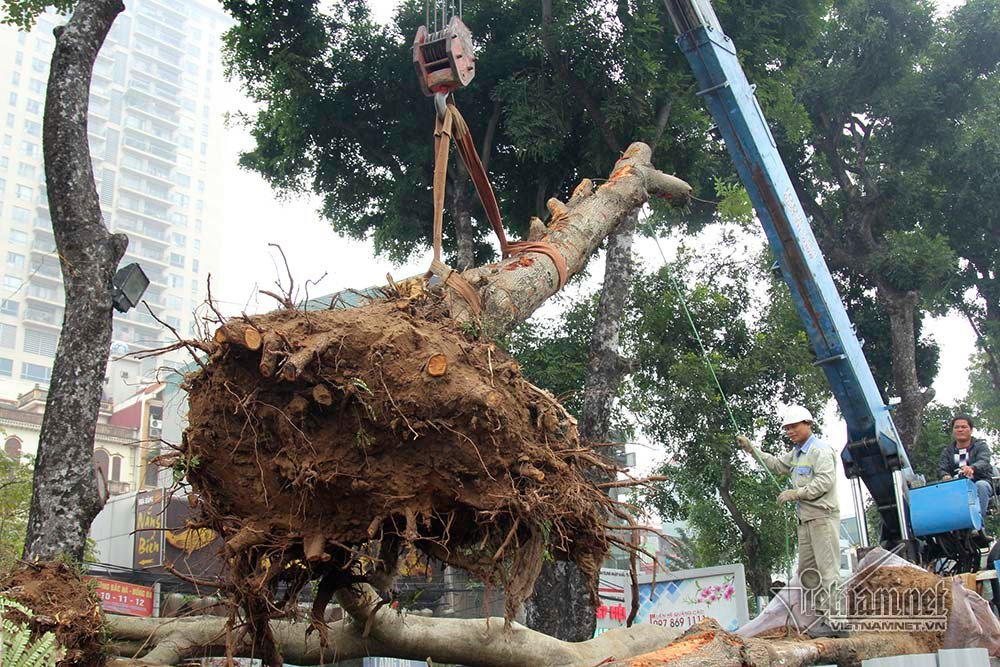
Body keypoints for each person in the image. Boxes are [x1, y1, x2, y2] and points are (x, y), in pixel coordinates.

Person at [737, 405, 841, 637]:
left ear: (808, 424)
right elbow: (775, 465)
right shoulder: (797, 453)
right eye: (787, 428)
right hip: (805, 521)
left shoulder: (820, 451)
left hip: (822, 517)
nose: (790, 431)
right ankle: (823, 618)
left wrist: (797, 493)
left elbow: (825, 481)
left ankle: (836, 622)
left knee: (828, 571)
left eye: (794, 426)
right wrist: (752, 449)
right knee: (807, 571)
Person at [938, 414, 994, 528]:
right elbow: (942, 469)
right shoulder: (947, 451)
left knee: (981, 485)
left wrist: (972, 468)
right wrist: (945, 475)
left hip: (980, 481)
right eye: (957, 427)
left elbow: (984, 461)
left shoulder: (980, 446)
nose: (960, 430)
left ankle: (978, 525)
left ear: (971, 430)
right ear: (953, 430)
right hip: (956, 487)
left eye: (964, 427)